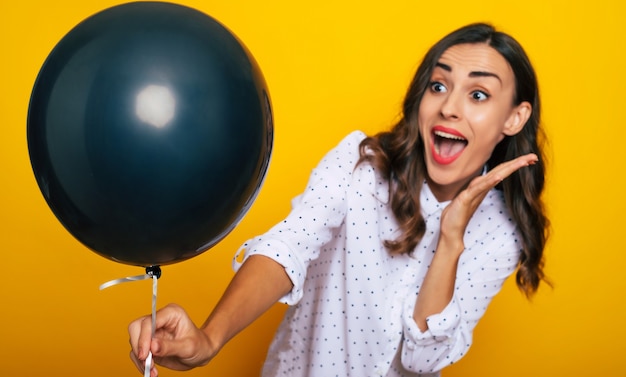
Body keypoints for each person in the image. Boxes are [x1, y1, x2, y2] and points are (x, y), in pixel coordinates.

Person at [128, 22, 549, 377]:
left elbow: (422, 358)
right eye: (439, 85)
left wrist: (452, 240)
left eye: (478, 95)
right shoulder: (360, 163)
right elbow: (289, 245)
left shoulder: (501, 233)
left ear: (514, 117)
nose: (449, 108)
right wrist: (209, 337)